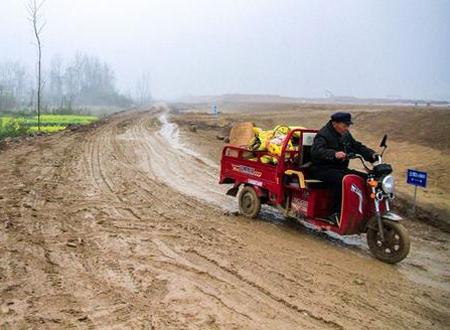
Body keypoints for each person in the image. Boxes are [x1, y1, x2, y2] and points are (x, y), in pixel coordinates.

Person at [310, 112, 377, 224]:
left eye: (348, 125)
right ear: (335, 123)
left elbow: (356, 146)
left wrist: (372, 155)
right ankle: (334, 214)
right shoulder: (323, 135)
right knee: (342, 180)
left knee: (366, 178)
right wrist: (334, 154)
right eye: (345, 125)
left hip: (339, 169)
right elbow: (316, 152)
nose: (347, 128)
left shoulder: (345, 134)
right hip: (321, 169)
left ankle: (366, 211)